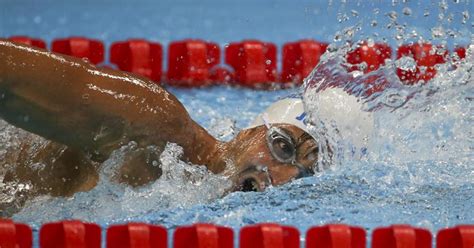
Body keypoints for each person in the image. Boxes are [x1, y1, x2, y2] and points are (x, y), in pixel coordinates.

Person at [0, 40, 319, 212]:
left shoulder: (193, 199)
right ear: (249, 133)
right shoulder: (156, 122)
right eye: (283, 146)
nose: (283, 177)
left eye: (303, 174)